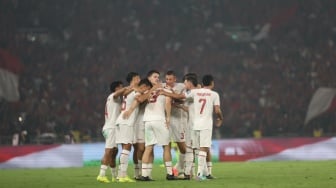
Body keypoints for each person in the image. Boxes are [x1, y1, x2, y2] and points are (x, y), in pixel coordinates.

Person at [137, 70, 178, 181]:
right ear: (149, 78)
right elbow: (168, 103)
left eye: (158, 77)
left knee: (148, 147)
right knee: (166, 146)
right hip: (159, 120)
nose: (157, 78)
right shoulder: (164, 89)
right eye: (155, 77)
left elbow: (141, 99)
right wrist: (168, 118)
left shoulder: (146, 91)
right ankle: (170, 174)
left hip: (147, 121)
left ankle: (144, 175)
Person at [115, 74, 153, 183]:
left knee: (125, 149)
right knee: (126, 148)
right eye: (138, 78)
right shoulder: (135, 91)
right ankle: (122, 175)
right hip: (126, 121)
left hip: (122, 121)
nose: (139, 79)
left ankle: (120, 174)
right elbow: (139, 98)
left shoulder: (129, 91)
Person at [97, 81, 126, 183]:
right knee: (108, 151)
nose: (123, 89)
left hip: (113, 128)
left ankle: (114, 176)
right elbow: (118, 93)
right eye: (121, 87)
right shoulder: (112, 96)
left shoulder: (118, 99)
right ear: (117, 88)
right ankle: (101, 175)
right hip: (110, 128)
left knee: (114, 152)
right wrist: (130, 87)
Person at [163, 70, 187, 176]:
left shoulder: (181, 86)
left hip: (179, 119)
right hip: (165, 120)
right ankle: (173, 171)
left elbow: (180, 97)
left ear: (175, 79)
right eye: (167, 79)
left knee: (182, 147)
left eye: (170, 79)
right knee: (166, 145)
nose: (168, 81)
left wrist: (166, 92)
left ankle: (179, 167)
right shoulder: (162, 86)